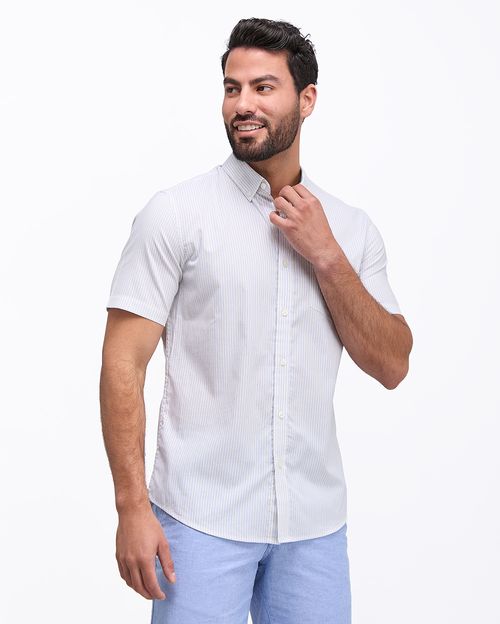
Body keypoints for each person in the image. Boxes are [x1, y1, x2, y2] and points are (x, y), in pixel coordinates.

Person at [99, 17, 413, 624]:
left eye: (263, 87)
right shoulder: (175, 216)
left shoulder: (350, 229)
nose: (242, 104)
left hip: (314, 531)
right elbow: (123, 363)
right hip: (198, 522)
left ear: (307, 99)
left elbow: (393, 364)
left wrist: (326, 255)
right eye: (232, 87)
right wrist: (132, 507)